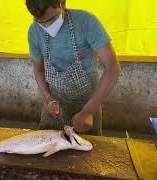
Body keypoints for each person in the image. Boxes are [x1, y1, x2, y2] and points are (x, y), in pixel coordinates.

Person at [26, 0, 120, 135]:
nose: (47, 25)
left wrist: (88, 111)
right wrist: (49, 98)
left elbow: (112, 69)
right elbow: (38, 70)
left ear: (62, 3)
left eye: (52, 19)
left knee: (87, 151)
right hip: (55, 106)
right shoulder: (34, 31)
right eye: (41, 22)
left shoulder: (86, 22)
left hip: (88, 103)